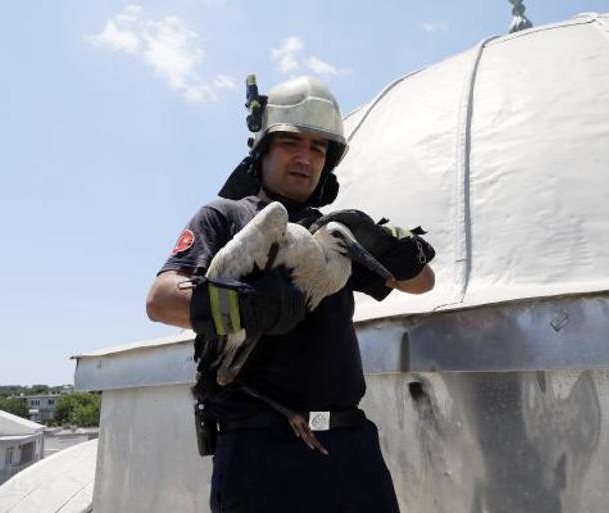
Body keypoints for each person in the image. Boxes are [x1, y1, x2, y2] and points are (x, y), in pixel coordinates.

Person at [146, 75, 435, 513]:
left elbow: (422, 283)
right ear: (262, 149)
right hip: (262, 450)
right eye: (291, 143)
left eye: (318, 148)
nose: (305, 157)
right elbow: (162, 300)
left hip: (349, 444)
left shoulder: (334, 235)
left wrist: (394, 252)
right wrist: (248, 307)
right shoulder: (225, 215)